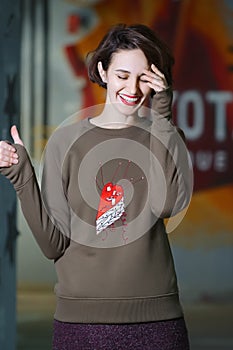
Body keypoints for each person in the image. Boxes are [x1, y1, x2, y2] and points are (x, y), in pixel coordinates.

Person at [0, 24, 192, 349]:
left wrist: (162, 116)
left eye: (143, 77)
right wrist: (21, 175)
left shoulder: (167, 137)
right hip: (80, 324)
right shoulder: (65, 141)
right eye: (122, 75)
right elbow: (53, 244)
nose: (132, 87)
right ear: (103, 71)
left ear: (158, 81)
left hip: (158, 322)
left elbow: (168, 204)